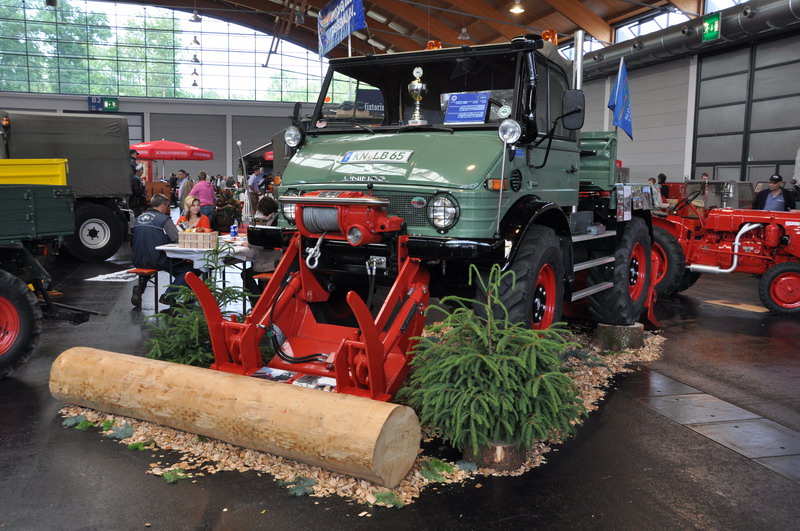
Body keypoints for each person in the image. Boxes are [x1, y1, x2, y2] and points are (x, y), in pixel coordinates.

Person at [131, 194, 201, 309]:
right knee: (192, 268)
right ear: (163, 205)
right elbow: (176, 238)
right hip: (158, 259)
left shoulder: (139, 218)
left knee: (151, 262)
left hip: (137, 258)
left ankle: (140, 288)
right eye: (167, 206)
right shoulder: (164, 219)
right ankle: (169, 295)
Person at [240, 196, 281, 304]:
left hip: (271, 262)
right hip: (277, 261)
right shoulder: (276, 219)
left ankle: (258, 302)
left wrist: (250, 244)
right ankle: (260, 300)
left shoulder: (273, 223)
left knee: (245, 274)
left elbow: (265, 244)